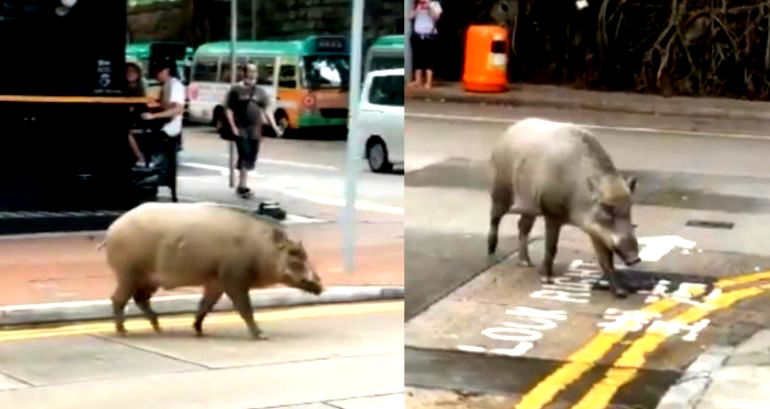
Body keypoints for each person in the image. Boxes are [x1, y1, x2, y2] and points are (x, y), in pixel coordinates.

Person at [224, 63, 283, 199]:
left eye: (255, 72)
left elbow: (267, 111)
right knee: (244, 154)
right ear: (244, 73)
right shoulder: (236, 90)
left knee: (251, 156)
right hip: (241, 129)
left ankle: (242, 183)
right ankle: (242, 186)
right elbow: (228, 109)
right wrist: (233, 127)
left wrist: (274, 127)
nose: (252, 74)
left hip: (255, 130)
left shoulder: (260, 91)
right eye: (250, 71)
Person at [141, 60, 185, 202]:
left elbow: (177, 109)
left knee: (161, 160)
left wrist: (154, 115)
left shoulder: (175, 86)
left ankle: (151, 174)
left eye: (159, 72)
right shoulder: (165, 86)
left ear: (166, 71)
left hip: (168, 130)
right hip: (164, 128)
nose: (157, 75)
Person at [409, 0, 442, 89]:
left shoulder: (435, 4)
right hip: (417, 34)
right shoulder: (417, 5)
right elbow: (411, 17)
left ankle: (428, 82)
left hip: (430, 35)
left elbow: (436, 17)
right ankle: (418, 80)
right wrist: (417, 9)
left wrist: (429, 7)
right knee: (417, 58)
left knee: (429, 58)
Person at [125, 61, 147, 167]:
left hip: (137, 118)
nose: (130, 74)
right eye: (128, 72)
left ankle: (139, 156)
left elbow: (142, 107)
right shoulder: (121, 89)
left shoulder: (141, 89)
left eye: (133, 72)